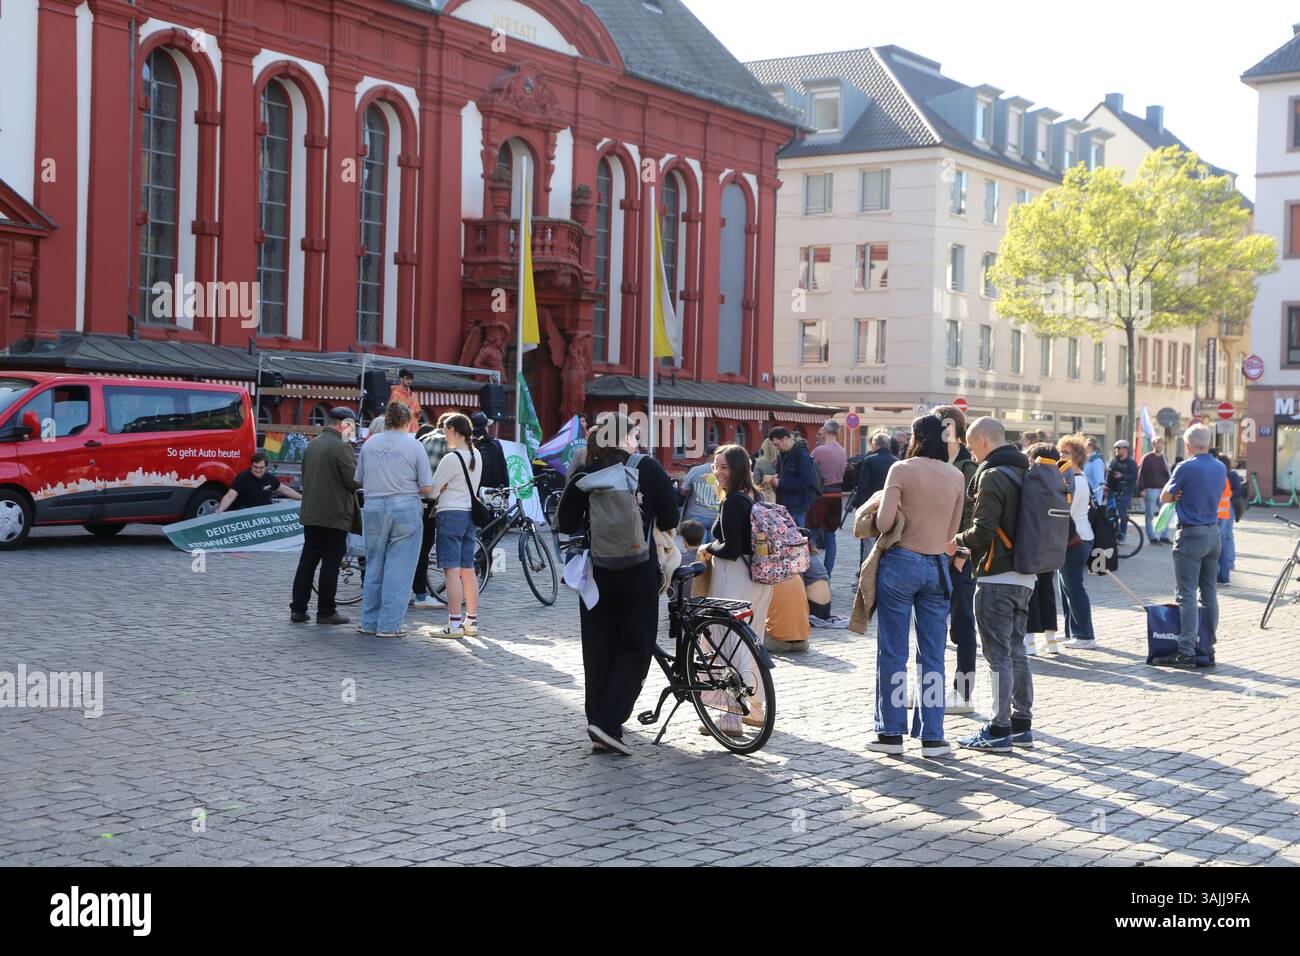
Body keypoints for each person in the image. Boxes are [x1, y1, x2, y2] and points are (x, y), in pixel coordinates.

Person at [558, 414, 679, 755]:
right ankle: (609, 722)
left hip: (596, 573)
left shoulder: (585, 471)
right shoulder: (649, 468)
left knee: (598, 648)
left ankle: (598, 721)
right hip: (638, 571)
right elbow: (671, 518)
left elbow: (565, 522)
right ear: (627, 437)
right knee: (636, 647)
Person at [865, 415, 964, 758]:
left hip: (902, 562)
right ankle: (933, 737)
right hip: (938, 567)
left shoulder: (902, 469)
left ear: (914, 437)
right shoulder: (956, 475)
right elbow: (952, 532)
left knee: (893, 651)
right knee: (933, 655)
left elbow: (884, 522)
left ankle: (891, 734)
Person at [948, 417, 1035, 753]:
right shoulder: (1024, 471)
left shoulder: (993, 475)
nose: (973, 452)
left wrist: (954, 542)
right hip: (1026, 576)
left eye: (972, 446)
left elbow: (982, 531)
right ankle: (1021, 723)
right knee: (1017, 651)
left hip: (996, 576)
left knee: (997, 655)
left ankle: (999, 729)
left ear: (982, 440)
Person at [697, 444, 775, 733]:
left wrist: (708, 547)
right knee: (751, 642)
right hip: (758, 578)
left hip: (735, 577)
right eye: (716, 466)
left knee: (729, 644)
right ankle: (755, 708)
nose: (718, 472)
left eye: (725, 467)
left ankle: (731, 716)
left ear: (739, 469)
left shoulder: (732, 502)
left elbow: (730, 548)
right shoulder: (755, 495)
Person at [354, 402, 434, 638]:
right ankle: (389, 625)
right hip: (404, 506)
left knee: (374, 564)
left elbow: (358, 479)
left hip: (374, 506)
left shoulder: (370, 444)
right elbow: (427, 486)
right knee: (399, 567)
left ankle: (368, 622)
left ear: (386, 419)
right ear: (408, 421)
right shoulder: (415, 446)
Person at [1154, 424, 1226, 669]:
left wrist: (1176, 494)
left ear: (1187, 445)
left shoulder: (1185, 467)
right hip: (1213, 534)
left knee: (1186, 594)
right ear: (1209, 442)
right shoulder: (1220, 466)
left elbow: (1164, 497)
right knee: (1209, 594)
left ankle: (1185, 651)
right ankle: (1208, 646)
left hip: (1191, 534)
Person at [290, 407, 361, 626]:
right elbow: (353, 480)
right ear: (344, 424)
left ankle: (298, 609)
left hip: (311, 511)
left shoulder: (313, 444)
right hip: (334, 513)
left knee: (308, 561)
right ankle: (327, 611)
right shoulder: (342, 445)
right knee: (331, 562)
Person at [932, 405, 980, 711]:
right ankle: (931, 690)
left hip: (960, 558)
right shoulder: (933, 462)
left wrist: (962, 553)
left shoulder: (969, 467)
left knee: (962, 627)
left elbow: (976, 517)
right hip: (932, 555)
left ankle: (963, 694)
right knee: (932, 626)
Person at [429, 413, 484, 638]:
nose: (444, 435)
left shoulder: (451, 458)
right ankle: (471, 621)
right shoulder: (476, 455)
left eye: (445, 431)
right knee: (467, 569)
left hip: (451, 513)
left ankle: (453, 624)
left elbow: (432, 490)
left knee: (450, 570)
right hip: (470, 515)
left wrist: (440, 489)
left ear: (452, 429)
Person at [1053, 435, 1097, 649]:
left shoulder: (1078, 481)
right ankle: (1072, 630)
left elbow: (1065, 512)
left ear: (1078, 457)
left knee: (1074, 586)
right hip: (1071, 539)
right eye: (1060, 452)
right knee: (1066, 586)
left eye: (1066, 453)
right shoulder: (1071, 478)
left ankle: (1085, 635)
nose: (1061, 456)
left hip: (1077, 539)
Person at [1021, 441, 1062, 657]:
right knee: (1047, 590)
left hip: (1033, 543)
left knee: (1031, 592)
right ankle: (1051, 639)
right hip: (1053, 543)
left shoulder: (1033, 480)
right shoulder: (1060, 480)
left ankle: (1029, 642)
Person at [410, 422, 449, 611]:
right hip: (428, 503)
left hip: (414, 501)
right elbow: (434, 481)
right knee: (422, 551)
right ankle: (420, 594)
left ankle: (413, 591)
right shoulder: (442, 442)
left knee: (415, 550)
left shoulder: (424, 438)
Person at [808, 419, 848, 575]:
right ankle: (827, 573)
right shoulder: (842, 451)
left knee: (810, 532)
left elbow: (810, 472)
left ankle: (812, 572)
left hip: (820, 496)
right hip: (836, 495)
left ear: (825, 430)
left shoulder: (819, 451)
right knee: (831, 536)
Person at [855, 430, 899, 565]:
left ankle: (865, 571)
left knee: (867, 544)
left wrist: (860, 509)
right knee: (885, 542)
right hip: (890, 508)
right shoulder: (897, 462)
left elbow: (862, 487)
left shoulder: (869, 461)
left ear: (875, 445)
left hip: (871, 506)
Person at [217, 451, 302, 513]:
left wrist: (302, 498)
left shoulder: (270, 478)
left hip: (264, 514)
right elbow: (230, 496)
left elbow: (285, 490)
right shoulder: (242, 477)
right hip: (245, 513)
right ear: (251, 465)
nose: (258, 470)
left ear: (266, 467)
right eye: (255, 467)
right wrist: (221, 509)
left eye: (261, 467)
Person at [767, 426, 816, 527]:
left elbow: (806, 481)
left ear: (785, 439)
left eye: (777, 444)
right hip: (785, 505)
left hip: (797, 507)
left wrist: (780, 483)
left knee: (797, 539)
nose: (777, 447)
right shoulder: (783, 454)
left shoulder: (801, 454)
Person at [680, 444, 722, 542]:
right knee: (713, 553)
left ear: (704, 454)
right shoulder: (725, 472)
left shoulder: (695, 471)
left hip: (696, 515)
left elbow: (683, 492)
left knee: (698, 552)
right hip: (717, 517)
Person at [1138, 437, 1172, 545]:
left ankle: (1164, 536)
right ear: (1153, 445)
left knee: (1166, 513)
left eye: (1161, 444)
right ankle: (1152, 537)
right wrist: (1141, 488)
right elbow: (1141, 473)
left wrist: (1168, 469)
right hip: (1150, 489)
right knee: (1150, 515)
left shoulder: (1164, 457)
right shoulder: (1147, 457)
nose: (1159, 446)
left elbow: (1168, 476)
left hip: (1163, 489)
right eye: (1157, 444)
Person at [1215, 453, 1240, 586]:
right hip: (1223, 511)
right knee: (1223, 540)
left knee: (1224, 538)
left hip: (1223, 511)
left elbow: (1236, 490)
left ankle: (1226, 567)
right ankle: (1224, 572)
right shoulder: (1223, 476)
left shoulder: (1228, 475)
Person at [1107, 439, 1138, 541]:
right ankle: (1112, 534)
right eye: (1116, 448)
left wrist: (1122, 476)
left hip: (1125, 491)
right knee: (1110, 513)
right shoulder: (1114, 461)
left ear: (1125, 449)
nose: (1116, 450)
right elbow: (1109, 476)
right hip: (1112, 490)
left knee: (1122, 513)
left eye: (1118, 448)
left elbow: (1134, 477)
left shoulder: (1131, 463)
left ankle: (1122, 535)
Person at [471, 411, 509, 490]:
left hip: (475, 491)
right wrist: (506, 492)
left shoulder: (469, 444)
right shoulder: (495, 443)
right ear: (486, 427)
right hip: (495, 491)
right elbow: (503, 468)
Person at [387, 368, 423, 433]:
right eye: (407, 378)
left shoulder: (413, 394)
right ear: (401, 379)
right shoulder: (395, 393)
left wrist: (418, 413)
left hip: (413, 429)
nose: (409, 381)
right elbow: (392, 412)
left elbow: (417, 413)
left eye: (411, 379)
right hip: (400, 427)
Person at [1084, 437, 1107, 505]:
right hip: (1086, 498)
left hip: (1092, 500)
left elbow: (1100, 484)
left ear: (1090, 446)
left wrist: (1095, 499)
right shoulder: (1088, 460)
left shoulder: (1096, 461)